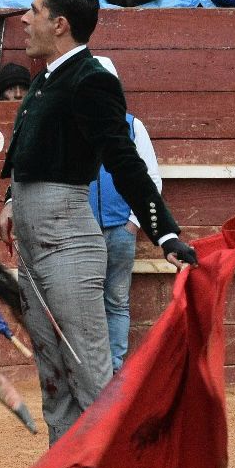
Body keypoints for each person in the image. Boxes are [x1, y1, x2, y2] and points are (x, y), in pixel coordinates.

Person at [0, 0, 196, 468]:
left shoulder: (91, 77)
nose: (23, 21)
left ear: (61, 23)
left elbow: (123, 161)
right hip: (36, 238)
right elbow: (36, 152)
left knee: (93, 378)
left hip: (68, 239)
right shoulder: (49, 79)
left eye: (32, 12)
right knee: (56, 381)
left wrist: (165, 231)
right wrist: (12, 201)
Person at [88, 56, 161, 373]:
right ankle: (95, 369)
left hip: (120, 229)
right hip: (82, 231)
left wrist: (134, 222)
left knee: (116, 302)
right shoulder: (73, 128)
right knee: (87, 304)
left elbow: (152, 179)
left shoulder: (133, 126)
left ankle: (115, 368)